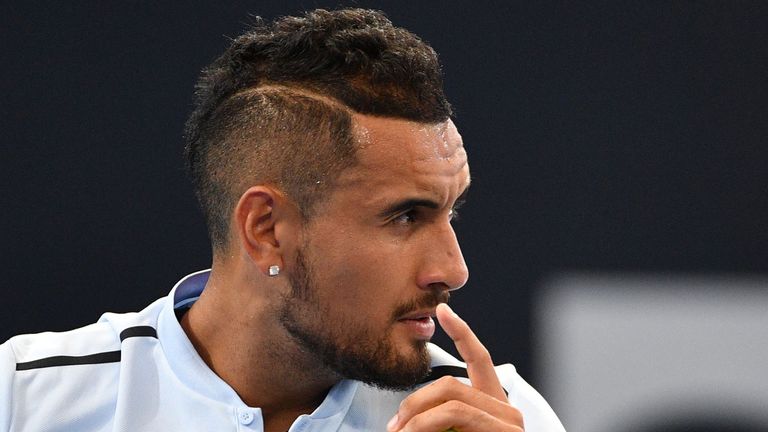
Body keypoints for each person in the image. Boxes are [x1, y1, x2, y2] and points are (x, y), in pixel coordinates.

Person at [0, 8, 564, 432]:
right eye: (404, 216)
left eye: (449, 211)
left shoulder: (502, 416)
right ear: (266, 230)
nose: (453, 269)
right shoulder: (22, 397)